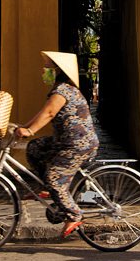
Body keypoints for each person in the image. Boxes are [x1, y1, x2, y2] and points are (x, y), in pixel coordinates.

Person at [15, 51, 99, 236]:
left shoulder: (63, 91)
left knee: (55, 178)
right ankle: (45, 188)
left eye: (47, 67)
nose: (44, 71)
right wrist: (25, 127)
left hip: (78, 144)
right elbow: (42, 113)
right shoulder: (58, 90)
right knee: (34, 148)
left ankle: (75, 214)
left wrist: (30, 131)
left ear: (57, 71)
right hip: (64, 140)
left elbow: (49, 114)